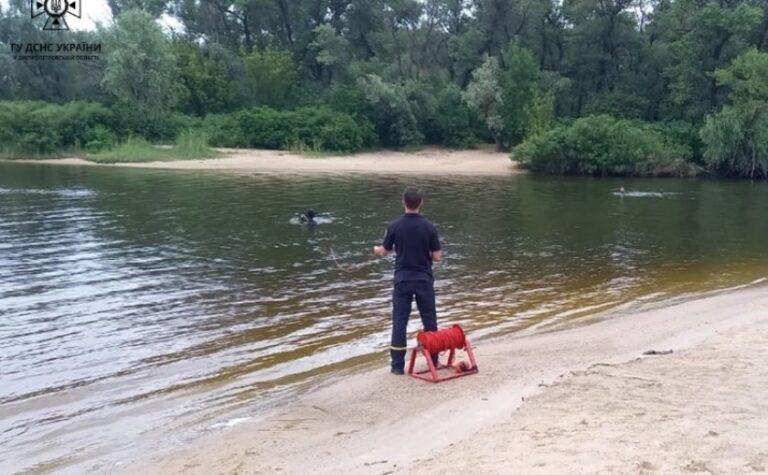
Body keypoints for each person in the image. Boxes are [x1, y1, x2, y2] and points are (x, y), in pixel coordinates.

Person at [373, 186, 443, 375]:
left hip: (402, 280)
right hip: (423, 280)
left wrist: (376, 250)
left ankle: (397, 367)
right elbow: (437, 257)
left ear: (403, 202)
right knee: (429, 320)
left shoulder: (394, 226)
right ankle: (433, 361)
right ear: (421, 203)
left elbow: (384, 251)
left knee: (399, 322)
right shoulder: (429, 227)